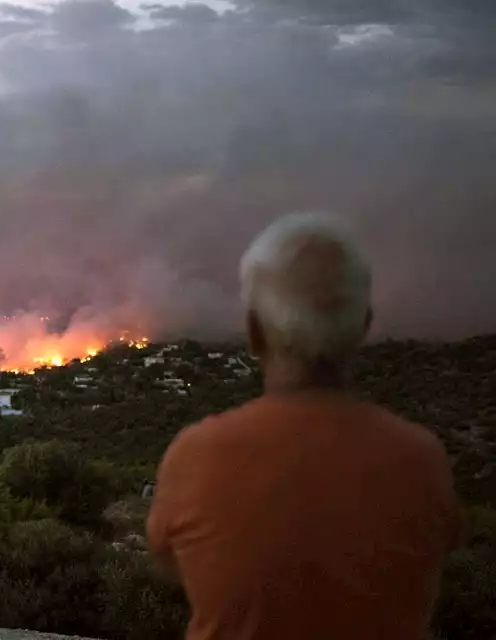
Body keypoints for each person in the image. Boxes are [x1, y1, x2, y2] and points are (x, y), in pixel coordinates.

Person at [146, 213, 461, 640]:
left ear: (254, 332)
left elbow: (173, 565)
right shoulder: (423, 461)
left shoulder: (197, 456)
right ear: (364, 326)